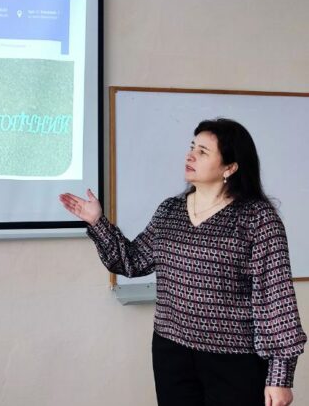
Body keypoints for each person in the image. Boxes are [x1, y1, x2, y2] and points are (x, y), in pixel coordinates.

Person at [59, 118, 306, 406]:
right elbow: (132, 262)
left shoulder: (257, 218)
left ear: (230, 167)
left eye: (203, 151)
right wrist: (97, 221)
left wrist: (280, 376)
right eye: (192, 147)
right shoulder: (170, 210)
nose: (190, 156)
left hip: (234, 359)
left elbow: (276, 299)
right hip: (171, 352)